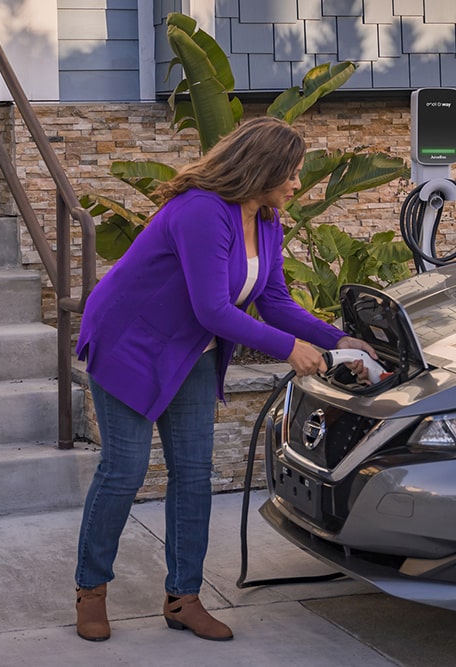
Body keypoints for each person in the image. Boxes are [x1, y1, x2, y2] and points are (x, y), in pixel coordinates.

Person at [73, 116, 377, 642]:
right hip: (130, 344)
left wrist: (335, 340)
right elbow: (213, 308)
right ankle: (91, 590)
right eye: (292, 172)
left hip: (189, 351)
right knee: (124, 471)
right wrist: (290, 350)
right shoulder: (200, 212)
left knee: (193, 474)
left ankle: (182, 598)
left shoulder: (267, 219)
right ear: (262, 169)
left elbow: (274, 300)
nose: (298, 184)